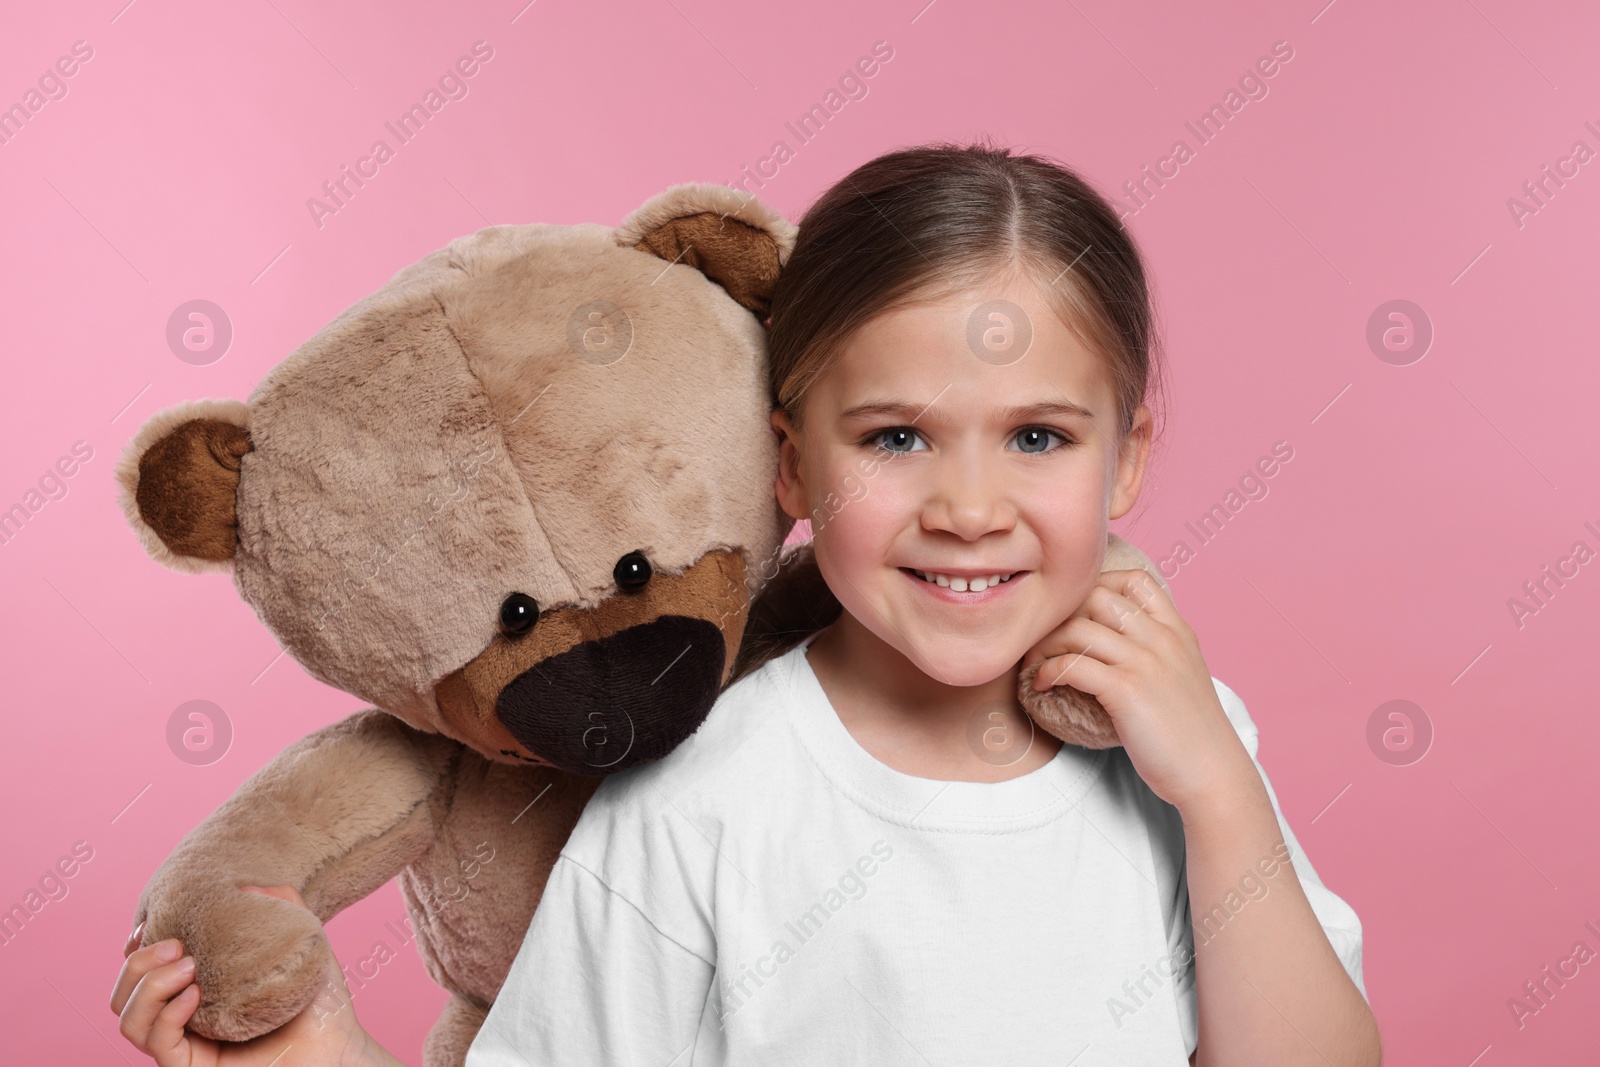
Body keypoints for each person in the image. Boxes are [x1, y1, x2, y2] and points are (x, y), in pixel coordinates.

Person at [112, 142, 1382, 1066]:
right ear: (789, 464)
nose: (970, 505)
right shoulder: (701, 794)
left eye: (1039, 436)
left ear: (1130, 457)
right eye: (895, 438)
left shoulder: (1184, 739)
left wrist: (1216, 786)